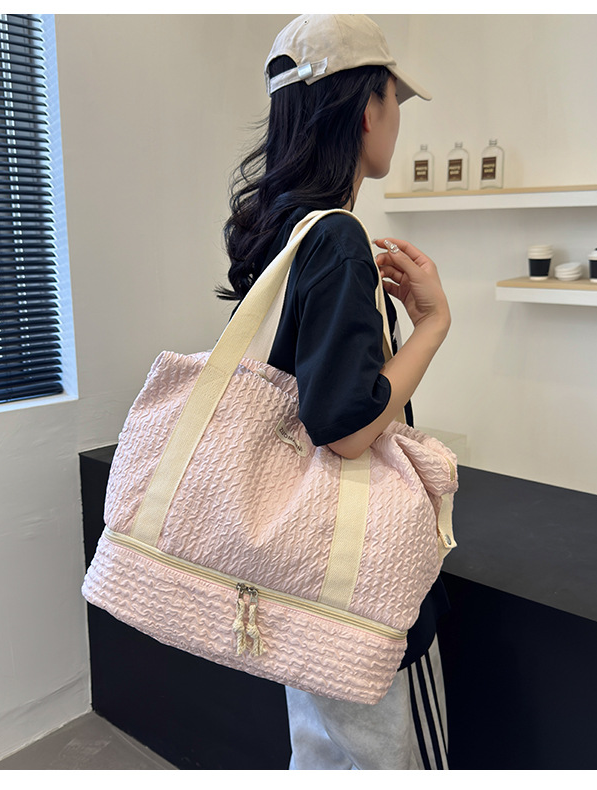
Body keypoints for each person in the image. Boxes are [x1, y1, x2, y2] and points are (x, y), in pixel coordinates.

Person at [219, 15, 452, 770]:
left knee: (321, 756)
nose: (397, 117)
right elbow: (347, 428)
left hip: (296, 561)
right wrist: (431, 325)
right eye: (393, 98)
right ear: (365, 110)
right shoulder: (337, 238)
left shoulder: (277, 228)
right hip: (358, 573)